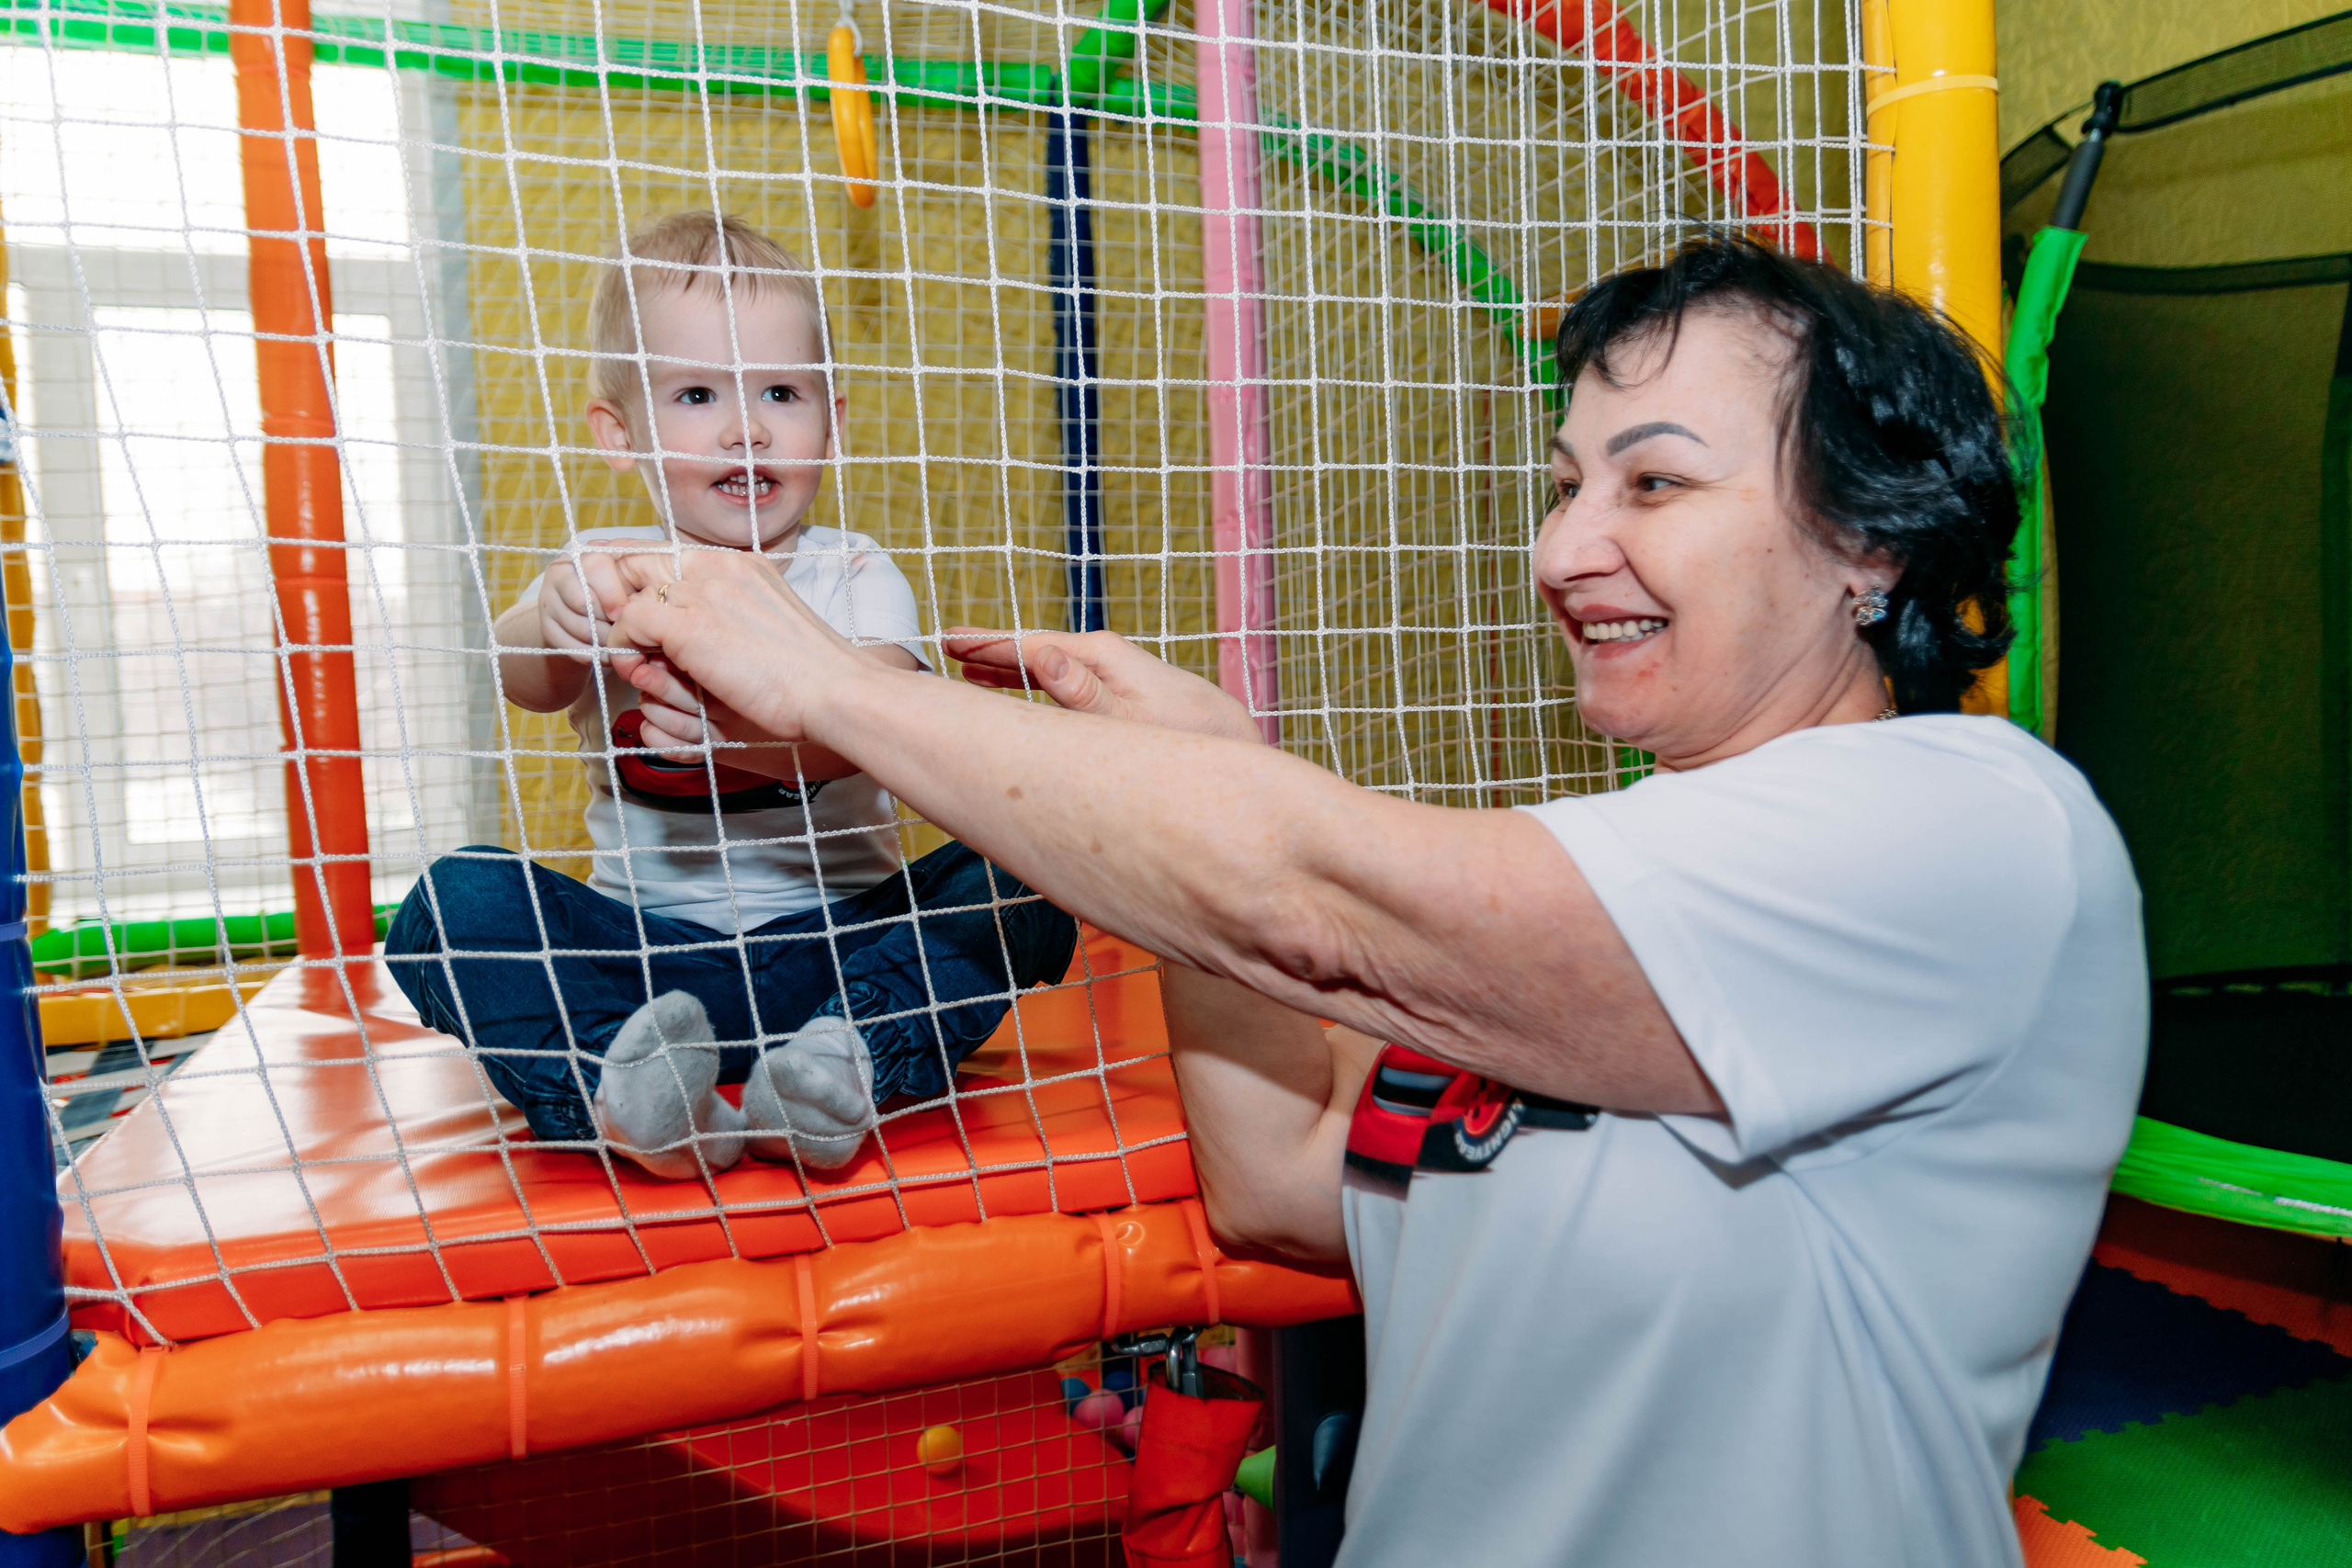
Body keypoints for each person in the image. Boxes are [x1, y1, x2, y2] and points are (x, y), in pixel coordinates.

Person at [587, 236, 2147, 1565]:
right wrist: (1200, 765)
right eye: (1566, 483)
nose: (1565, 548)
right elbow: (1281, 1177)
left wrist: (828, 688)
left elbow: (1307, 898)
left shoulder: (1971, 827)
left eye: (1655, 481)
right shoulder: (1597, 867)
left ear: (1869, 539)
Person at [384, 210, 1075, 1180]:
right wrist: (548, 617)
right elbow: (520, 682)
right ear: (619, 435)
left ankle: (842, 1070)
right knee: (451, 901)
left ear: (832, 420)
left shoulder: (852, 572)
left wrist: (738, 730)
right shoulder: (606, 566)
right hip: (645, 965)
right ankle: (627, 1092)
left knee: (1028, 868)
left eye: (781, 393)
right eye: (698, 393)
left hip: (840, 947)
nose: (746, 427)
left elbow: (880, 723)